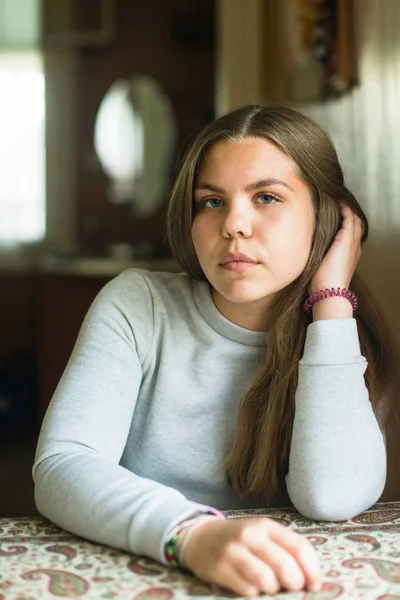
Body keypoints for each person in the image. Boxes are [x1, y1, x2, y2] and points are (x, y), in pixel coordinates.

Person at [33, 104, 399, 597]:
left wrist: (332, 301)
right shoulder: (139, 305)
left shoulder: (345, 339)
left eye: (267, 197)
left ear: (327, 217)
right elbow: (63, 464)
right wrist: (192, 534)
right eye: (211, 202)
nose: (234, 225)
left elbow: (332, 498)